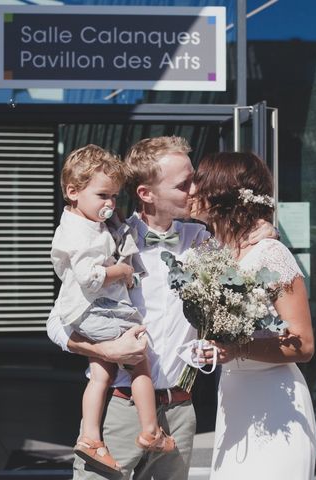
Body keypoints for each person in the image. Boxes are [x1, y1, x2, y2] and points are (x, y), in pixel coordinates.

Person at [47, 136, 278, 480]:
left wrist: (262, 230)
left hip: (180, 410)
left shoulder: (203, 243)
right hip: (118, 408)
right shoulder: (107, 243)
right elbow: (57, 323)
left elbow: (245, 273)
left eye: (195, 180)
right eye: (185, 184)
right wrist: (103, 348)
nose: (196, 190)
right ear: (146, 193)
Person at [189, 151, 316, 479]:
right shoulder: (209, 254)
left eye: (199, 182)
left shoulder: (271, 254)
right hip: (232, 400)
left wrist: (240, 349)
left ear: (221, 191)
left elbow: (303, 345)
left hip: (276, 403)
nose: (191, 190)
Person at [50, 145, 175, 475]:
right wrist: (122, 271)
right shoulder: (78, 232)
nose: (109, 205)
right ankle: (151, 431)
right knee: (139, 361)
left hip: (92, 311)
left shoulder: (90, 222)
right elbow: (89, 279)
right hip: (96, 310)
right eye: (103, 196)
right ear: (72, 192)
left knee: (101, 374)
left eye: (115, 197)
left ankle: (90, 436)